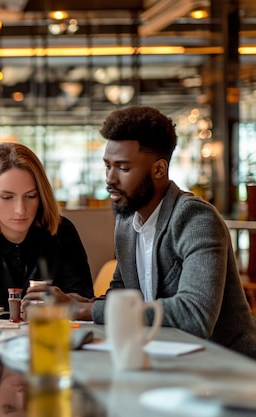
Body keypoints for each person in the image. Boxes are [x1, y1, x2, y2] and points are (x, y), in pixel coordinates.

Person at [28, 106, 256, 358]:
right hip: (164, 361)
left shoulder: (195, 219)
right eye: (107, 167)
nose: (110, 180)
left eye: (123, 168)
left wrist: (84, 311)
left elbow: (195, 315)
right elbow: (120, 297)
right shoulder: (127, 224)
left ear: (159, 169)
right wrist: (79, 302)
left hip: (223, 368)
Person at [0, 142, 94, 309]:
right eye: (7, 197)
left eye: (30, 196)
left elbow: (84, 303)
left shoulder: (62, 232)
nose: (21, 210)